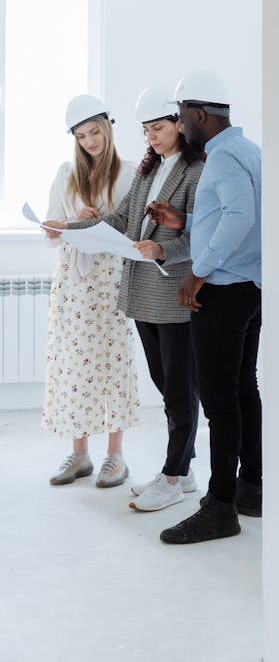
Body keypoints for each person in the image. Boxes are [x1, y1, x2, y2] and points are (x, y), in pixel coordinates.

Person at [57, 85, 205, 512]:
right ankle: (187, 470)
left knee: (180, 389)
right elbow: (121, 221)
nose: (152, 137)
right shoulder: (145, 171)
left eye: (158, 128)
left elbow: (203, 235)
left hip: (175, 292)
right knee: (165, 385)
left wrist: (163, 249)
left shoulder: (196, 171)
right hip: (142, 294)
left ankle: (173, 475)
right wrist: (71, 228)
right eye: (146, 131)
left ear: (179, 125)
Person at [147, 69, 262, 545]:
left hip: (223, 291)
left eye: (179, 116)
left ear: (197, 114)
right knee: (242, 390)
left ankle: (218, 507)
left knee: (218, 401)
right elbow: (232, 213)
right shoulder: (248, 151)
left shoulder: (222, 157)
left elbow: (240, 217)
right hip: (250, 288)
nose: (178, 124)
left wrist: (197, 272)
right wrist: (185, 218)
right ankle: (252, 487)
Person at [42, 94, 139, 488]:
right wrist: (72, 220)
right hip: (73, 283)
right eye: (82, 136)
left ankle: (115, 456)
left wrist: (98, 223)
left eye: (94, 131)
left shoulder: (128, 172)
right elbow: (50, 228)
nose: (89, 141)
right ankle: (79, 454)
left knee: (112, 362)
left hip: (111, 278)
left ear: (108, 127)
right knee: (73, 364)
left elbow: (133, 227)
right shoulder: (67, 172)